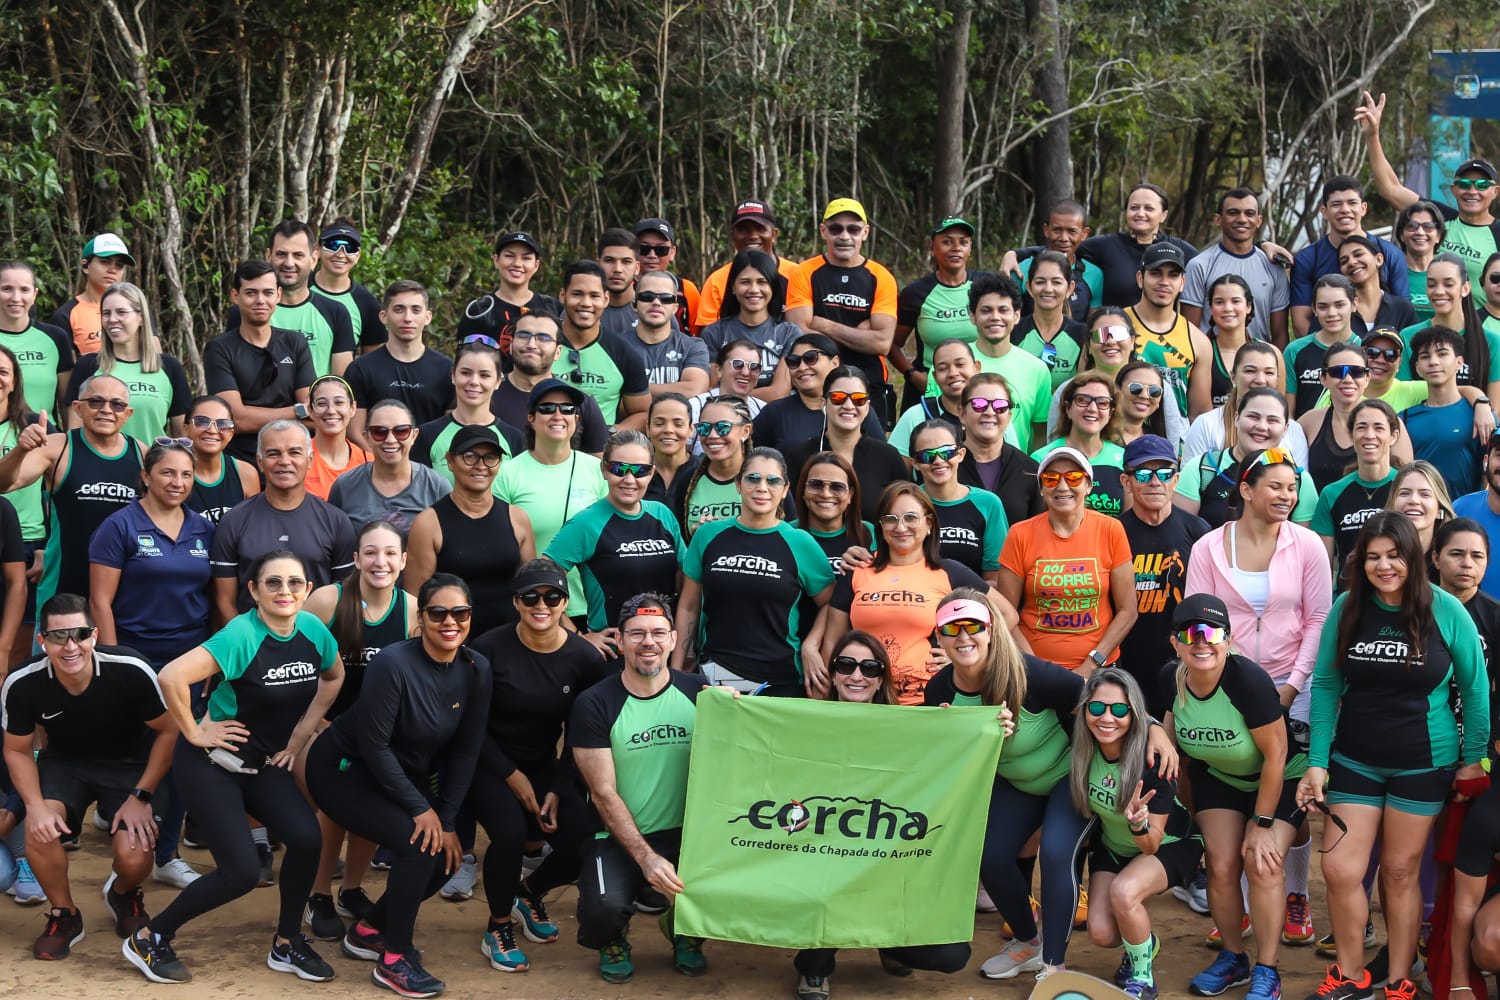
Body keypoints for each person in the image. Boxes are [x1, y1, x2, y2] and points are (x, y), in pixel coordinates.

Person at [124, 550, 343, 985]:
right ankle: (150, 937)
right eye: (273, 583)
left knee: (305, 838)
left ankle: (286, 942)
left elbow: (333, 677)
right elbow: (170, 677)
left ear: (308, 590)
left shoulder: (314, 630)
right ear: (254, 591)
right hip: (211, 763)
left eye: (294, 583)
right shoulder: (240, 635)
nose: (285, 591)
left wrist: (299, 738)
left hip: (261, 762)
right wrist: (194, 732)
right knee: (241, 872)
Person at [1298, 512, 1489, 1000]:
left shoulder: (1446, 610)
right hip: (1355, 759)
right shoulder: (1347, 608)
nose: (1384, 567)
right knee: (1340, 869)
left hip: (1423, 763)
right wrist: (1318, 760)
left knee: (1400, 872)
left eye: (1395, 556)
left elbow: (1475, 688)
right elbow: (1325, 684)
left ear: (1414, 558)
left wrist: (1471, 760)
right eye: (1373, 557)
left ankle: (1401, 974)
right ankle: (1350, 972)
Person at [305, 573, 490, 998]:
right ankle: (394, 958)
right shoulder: (393, 662)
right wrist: (421, 811)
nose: (450, 622)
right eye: (438, 613)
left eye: (460, 613)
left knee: (445, 855)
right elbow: (373, 745)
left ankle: (370, 930)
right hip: (343, 770)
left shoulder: (476, 669)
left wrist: (445, 818)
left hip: (397, 776)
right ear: (420, 619)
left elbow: (466, 750)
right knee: (416, 843)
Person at [791, 629, 974, 999]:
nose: (857, 675)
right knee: (825, 889)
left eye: (869, 668)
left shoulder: (907, 727)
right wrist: (729, 705)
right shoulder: (805, 719)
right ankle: (815, 966)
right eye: (846, 665)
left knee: (952, 954)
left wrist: (968, 729)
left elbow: (949, 764)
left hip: (886, 865)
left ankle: (888, 942)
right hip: (821, 860)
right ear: (833, 672)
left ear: (880, 680)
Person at [922, 591, 1093, 982]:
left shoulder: (1029, 673)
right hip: (1014, 783)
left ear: (991, 630)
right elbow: (944, 761)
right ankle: (1028, 942)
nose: (963, 637)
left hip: (1065, 778)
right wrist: (950, 736)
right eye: (952, 628)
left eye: (973, 627)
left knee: (1054, 854)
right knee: (990, 856)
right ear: (939, 637)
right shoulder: (939, 692)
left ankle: (1054, 963)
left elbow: (1099, 699)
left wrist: (1152, 728)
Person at [2, 594, 176, 959]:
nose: (70, 646)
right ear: (42, 641)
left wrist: (142, 796)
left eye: (79, 634)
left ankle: (124, 894)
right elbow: (17, 750)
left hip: (130, 764)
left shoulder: (130, 668)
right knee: (40, 827)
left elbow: (169, 732)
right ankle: (65, 914)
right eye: (58, 636)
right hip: (66, 763)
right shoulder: (22, 682)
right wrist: (33, 806)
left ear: (94, 635)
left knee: (135, 854)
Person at [466, 560, 613, 974]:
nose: (541, 604)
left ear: (565, 602)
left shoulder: (584, 657)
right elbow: (470, 727)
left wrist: (556, 785)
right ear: (516, 602)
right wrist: (511, 777)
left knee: (583, 838)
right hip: (488, 762)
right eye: (530, 596)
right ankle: (497, 927)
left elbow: (583, 733)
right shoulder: (488, 650)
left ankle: (528, 893)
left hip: (544, 765)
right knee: (510, 835)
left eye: (552, 596)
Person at [1162, 594, 1307, 1000]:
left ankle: (1268, 968)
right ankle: (1234, 959)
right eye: (1190, 633)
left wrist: (1261, 825)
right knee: (1222, 866)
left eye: (1211, 632)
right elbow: (1166, 734)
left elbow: (1277, 754)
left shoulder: (1248, 680)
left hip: (1278, 776)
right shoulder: (1169, 679)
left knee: (1261, 863)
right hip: (1221, 778)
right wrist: (1158, 732)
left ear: (1228, 638)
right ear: (1175, 642)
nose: (1201, 641)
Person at [87, 440, 215, 885]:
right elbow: (100, 601)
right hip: (136, 656)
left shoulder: (203, 528)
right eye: (167, 473)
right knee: (139, 753)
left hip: (191, 661)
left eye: (185, 474)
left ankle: (164, 854)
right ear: (146, 475)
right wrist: (115, 662)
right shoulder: (119, 526)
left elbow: (213, 599)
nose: (177, 482)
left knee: (183, 750)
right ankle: (127, 845)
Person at [569, 592, 710, 982]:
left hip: (688, 836)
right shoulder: (594, 703)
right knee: (603, 909)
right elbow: (603, 793)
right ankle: (614, 937)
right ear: (620, 640)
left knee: (731, 878)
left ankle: (685, 931)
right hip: (615, 835)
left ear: (672, 637)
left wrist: (736, 710)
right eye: (636, 633)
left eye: (657, 633)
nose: (648, 642)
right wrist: (646, 858)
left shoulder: (700, 692)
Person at [299, 520, 418, 943]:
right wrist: (313, 724)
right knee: (338, 805)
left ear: (404, 561)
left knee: (375, 803)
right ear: (355, 558)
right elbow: (294, 665)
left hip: (378, 734)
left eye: (389, 553)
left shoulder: (412, 611)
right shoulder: (328, 600)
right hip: (323, 728)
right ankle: (317, 895)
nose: (379, 561)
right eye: (370, 552)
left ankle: (350, 889)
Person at [1073, 667, 1202, 1000]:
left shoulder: (1154, 759)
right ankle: (1145, 942)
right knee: (1101, 933)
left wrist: (1137, 823)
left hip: (1166, 844)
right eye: (1098, 707)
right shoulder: (1082, 747)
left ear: (1133, 714)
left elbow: (1150, 844)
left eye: (1119, 710)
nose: (1107, 718)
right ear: (1085, 708)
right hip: (1113, 847)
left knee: (1124, 890)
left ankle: (1142, 976)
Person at [674, 448, 835, 694]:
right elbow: (688, 606)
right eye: (753, 478)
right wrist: (678, 671)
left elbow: (831, 604)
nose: (762, 487)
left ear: (784, 490)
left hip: (781, 679)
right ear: (738, 484)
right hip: (717, 675)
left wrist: (811, 646)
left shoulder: (800, 543)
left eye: (772, 481)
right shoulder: (708, 535)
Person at [812, 481, 989, 704]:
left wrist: (960, 656)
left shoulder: (949, 572)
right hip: (865, 701)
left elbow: (1006, 616)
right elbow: (833, 642)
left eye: (911, 518)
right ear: (881, 527)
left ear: (929, 524)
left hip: (927, 701)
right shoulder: (857, 569)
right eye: (890, 519)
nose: (900, 527)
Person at [0, 374, 145, 613]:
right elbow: (5, 484)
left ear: (127, 413)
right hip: (62, 589)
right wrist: (21, 450)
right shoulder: (58, 447)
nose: (106, 410)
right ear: (77, 408)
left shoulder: (141, 453)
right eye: (96, 401)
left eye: (116, 404)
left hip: (123, 593)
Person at [999, 446, 1137, 672]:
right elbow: (1006, 614)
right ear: (1042, 489)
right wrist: (1036, 668)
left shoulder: (1110, 529)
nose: (1062, 486)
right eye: (1051, 479)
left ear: (1088, 486)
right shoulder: (1019, 534)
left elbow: (1128, 611)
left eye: (1073, 477)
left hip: (1100, 668)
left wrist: (1091, 665)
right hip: (1034, 667)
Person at [210, 420, 356, 619]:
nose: (285, 461)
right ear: (260, 462)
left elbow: (346, 598)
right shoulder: (234, 521)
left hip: (316, 641)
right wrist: (246, 645)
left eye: (295, 452)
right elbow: (224, 602)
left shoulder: (336, 521)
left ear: (310, 460)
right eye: (273, 453)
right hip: (251, 643)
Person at [1359, 91, 1499, 297]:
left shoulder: (1497, 233)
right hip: (1427, 323)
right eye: (1465, 184)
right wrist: (1372, 135)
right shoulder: (1438, 218)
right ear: (1453, 189)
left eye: (1481, 184)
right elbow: (1390, 188)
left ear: (1495, 192)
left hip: (1477, 328)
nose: (1472, 191)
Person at [546, 429, 686, 634]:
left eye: (640, 471)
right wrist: (579, 638)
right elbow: (540, 579)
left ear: (651, 473)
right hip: (614, 650)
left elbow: (686, 578)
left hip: (661, 644)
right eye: (619, 469)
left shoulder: (662, 514)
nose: (629, 479)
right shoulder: (586, 523)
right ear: (604, 470)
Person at [495, 379, 609, 620]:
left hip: (592, 608)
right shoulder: (507, 474)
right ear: (531, 418)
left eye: (567, 409)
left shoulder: (598, 470)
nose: (558, 415)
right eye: (547, 408)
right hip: (534, 607)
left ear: (577, 419)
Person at [406, 426, 535, 639]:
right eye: (470, 456)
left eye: (490, 457)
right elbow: (415, 600)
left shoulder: (517, 518)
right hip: (450, 644)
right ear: (450, 461)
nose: (481, 466)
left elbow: (530, 588)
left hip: (510, 642)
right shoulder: (428, 523)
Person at [785, 198, 899, 427]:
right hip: (816, 382)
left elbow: (882, 343)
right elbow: (800, 335)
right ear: (823, 231)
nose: (845, 236)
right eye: (836, 228)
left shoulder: (881, 277)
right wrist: (860, 333)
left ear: (865, 233)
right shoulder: (804, 272)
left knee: (868, 455)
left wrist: (823, 324)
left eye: (853, 229)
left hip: (868, 382)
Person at [1118, 435, 1209, 695]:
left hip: (1185, 662)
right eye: (1144, 474)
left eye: (1165, 474)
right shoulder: (1114, 532)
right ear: (1127, 481)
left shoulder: (1197, 530)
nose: (1156, 482)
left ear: (1176, 480)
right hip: (1128, 664)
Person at [204, 260, 315, 464]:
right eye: (251, 293)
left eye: (268, 292)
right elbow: (237, 419)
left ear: (278, 295)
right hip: (240, 460)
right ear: (235, 296)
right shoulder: (219, 349)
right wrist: (297, 411)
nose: (260, 300)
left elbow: (313, 416)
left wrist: (305, 412)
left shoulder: (295, 342)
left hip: (290, 457)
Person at [888, 215, 994, 408]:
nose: (956, 248)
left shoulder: (987, 285)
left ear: (970, 249)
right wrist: (913, 375)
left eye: (963, 242)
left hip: (981, 385)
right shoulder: (916, 293)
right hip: (929, 386)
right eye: (947, 242)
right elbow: (892, 344)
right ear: (932, 247)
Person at [64, 281, 191, 439]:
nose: (112, 319)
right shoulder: (88, 365)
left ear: (141, 318)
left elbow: (183, 436)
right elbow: (73, 434)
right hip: (100, 463)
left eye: (121, 312)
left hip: (152, 462)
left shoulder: (169, 367)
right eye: (106, 313)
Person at [1175, 389, 1319, 529]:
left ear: (1286, 429)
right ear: (1236, 418)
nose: (1262, 426)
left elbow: (1303, 547)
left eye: (1272, 420)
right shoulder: (1202, 469)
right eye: (1253, 417)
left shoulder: (1298, 481)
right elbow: (1181, 536)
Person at [783, 367, 910, 523]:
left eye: (858, 399)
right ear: (824, 403)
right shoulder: (797, 456)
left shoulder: (887, 456)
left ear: (867, 406)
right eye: (838, 397)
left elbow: (903, 513)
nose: (849, 405)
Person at [942, 274, 1051, 451]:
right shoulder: (950, 364)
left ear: (1016, 316)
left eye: (1003, 310)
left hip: (1015, 471)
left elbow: (1040, 434)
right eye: (986, 310)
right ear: (972, 316)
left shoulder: (1037, 369)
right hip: (957, 470)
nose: (995, 317)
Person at [1289, 176, 1409, 337]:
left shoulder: (1390, 253)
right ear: (1324, 212)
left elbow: (1402, 314)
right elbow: (1301, 322)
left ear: (1363, 208)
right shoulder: (1307, 259)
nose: (1345, 210)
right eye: (1336, 204)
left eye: (1352, 203)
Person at [1180, 189, 1292, 348]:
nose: (1242, 219)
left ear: (1258, 221)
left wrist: (1277, 370)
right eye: (1233, 213)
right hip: (1212, 364)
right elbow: (1189, 331)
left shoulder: (1274, 268)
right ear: (1218, 219)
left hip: (1258, 365)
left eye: (1249, 213)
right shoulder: (1199, 266)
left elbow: (1280, 334)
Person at [341, 280, 454, 432]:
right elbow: (355, 433)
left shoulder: (447, 370)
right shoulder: (361, 369)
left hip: (430, 456)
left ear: (427, 317)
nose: (407, 318)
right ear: (383, 316)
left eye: (416, 310)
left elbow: (450, 432)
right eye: (399, 309)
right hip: (376, 454)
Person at [1298, 343, 1413, 493]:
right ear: (1323, 378)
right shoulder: (1309, 422)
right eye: (1337, 372)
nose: (1347, 379)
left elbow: (1407, 482)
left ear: (1367, 378)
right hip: (1322, 512)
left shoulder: (1389, 422)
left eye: (1357, 372)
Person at [248, 219, 356, 378]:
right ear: (268, 256)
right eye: (281, 254)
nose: (289, 263)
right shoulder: (248, 310)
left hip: (318, 402)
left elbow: (342, 384)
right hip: (259, 403)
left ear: (313, 259)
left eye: (298, 255)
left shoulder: (336, 312)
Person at [489, 310, 609, 452]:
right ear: (510, 344)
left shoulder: (581, 402)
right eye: (523, 335)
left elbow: (599, 466)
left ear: (558, 352)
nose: (531, 344)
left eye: (543, 338)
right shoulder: (487, 396)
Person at [1311, 399, 1406, 577]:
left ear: (1393, 436)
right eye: (1361, 427)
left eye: (1379, 428)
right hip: (1350, 597)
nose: (1369, 435)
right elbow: (1322, 567)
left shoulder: (1406, 488)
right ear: (1351, 434)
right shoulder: (1331, 494)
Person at [553, 260, 650, 430]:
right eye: (577, 294)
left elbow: (642, 413)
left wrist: (608, 435)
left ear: (606, 299)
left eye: (594, 296)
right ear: (563, 296)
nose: (585, 303)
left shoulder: (623, 353)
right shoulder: (540, 345)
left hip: (599, 453)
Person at [328, 399, 450, 533]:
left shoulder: (436, 486)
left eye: (401, 431)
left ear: (414, 436)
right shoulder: (345, 486)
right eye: (379, 432)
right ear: (367, 437)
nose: (391, 440)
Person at [909, 420, 1010, 581]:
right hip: (916, 601)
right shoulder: (905, 503)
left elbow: (996, 578)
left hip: (971, 601)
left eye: (947, 452)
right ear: (915, 463)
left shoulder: (988, 503)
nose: (938, 460)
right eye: (928, 455)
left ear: (960, 454)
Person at [414, 336, 527, 478]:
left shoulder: (515, 439)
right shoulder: (426, 435)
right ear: (453, 375)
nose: (474, 381)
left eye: (484, 375)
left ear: (498, 381)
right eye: (466, 373)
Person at [1125, 242, 1213, 420]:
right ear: (1140, 278)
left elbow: (1200, 414)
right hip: (1120, 440)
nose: (1164, 282)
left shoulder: (1198, 341)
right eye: (1156, 273)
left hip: (1173, 445)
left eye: (1173, 275)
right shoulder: (1116, 326)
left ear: (1182, 283)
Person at [752, 333, 882, 452]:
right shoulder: (775, 412)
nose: (802, 367)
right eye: (794, 361)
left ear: (835, 362)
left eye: (811, 358)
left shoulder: (855, 409)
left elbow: (882, 458)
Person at [698, 249, 798, 401]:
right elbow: (713, 387)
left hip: (774, 417)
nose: (754, 290)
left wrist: (731, 393)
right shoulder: (714, 333)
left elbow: (779, 392)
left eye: (762, 282)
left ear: (773, 287)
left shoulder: (789, 333)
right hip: (728, 416)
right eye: (745, 282)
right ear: (733, 287)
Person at [1396, 254, 1500, 400]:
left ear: (1465, 288)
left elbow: (1495, 409)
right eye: (1432, 284)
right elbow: (1403, 397)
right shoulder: (1408, 336)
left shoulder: (1491, 341)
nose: (1439, 291)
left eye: (1448, 284)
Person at [1400, 326, 1483, 499]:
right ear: (1417, 368)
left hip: (1467, 517)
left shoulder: (1480, 416)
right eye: (1425, 356)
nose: (1433, 362)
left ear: (1459, 362)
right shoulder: (1404, 419)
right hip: (1422, 515)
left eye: (1442, 354)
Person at [694, 198, 801, 328]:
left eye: (760, 229)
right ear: (733, 235)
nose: (752, 236)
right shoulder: (717, 281)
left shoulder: (798, 274)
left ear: (774, 234)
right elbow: (707, 335)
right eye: (743, 229)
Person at [1185, 340, 1299, 460]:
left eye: (1269, 372)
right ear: (1233, 376)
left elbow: (1300, 477)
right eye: (1250, 371)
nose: (1260, 380)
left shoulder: (1294, 431)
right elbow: (1192, 476)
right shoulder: (1206, 425)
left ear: (1277, 379)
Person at [1032, 373, 1127, 517]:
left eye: (1102, 403)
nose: (1093, 408)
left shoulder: (1124, 459)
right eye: (1082, 400)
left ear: (1110, 413)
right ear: (1068, 408)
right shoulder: (1041, 459)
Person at [957, 372, 1044, 526]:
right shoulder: (946, 466)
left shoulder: (1030, 470)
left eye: (1000, 406)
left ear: (1009, 415)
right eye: (979, 404)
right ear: (962, 413)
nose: (990, 412)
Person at [457, 230, 560, 353]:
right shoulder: (480, 311)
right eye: (509, 256)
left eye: (526, 258)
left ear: (536, 265)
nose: (517, 263)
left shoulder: (552, 307)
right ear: (496, 260)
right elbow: (466, 360)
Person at [669, 394, 752, 537]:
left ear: (745, 431)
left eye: (723, 427)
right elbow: (680, 545)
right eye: (704, 428)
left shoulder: (765, 477)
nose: (713, 435)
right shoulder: (687, 480)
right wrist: (699, 537)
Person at [1009, 199, 1105, 322]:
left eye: (1072, 231)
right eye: (1057, 230)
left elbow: (1093, 325)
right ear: (1046, 230)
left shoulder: (1094, 274)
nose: (1064, 238)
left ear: (1084, 233)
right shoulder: (1022, 270)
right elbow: (1007, 316)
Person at [0, 260, 74, 416]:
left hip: (46, 437)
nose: (16, 297)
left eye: (24, 290)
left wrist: (67, 440)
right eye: (7, 289)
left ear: (34, 295)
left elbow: (68, 404)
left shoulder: (55, 338)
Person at [1012, 251, 1091, 391]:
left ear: (1070, 288)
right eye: (1040, 282)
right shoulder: (1013, 331)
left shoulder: (1082, 334)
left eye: (1056, 282)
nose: (1048, 289)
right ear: (1029, 287)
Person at [1284, 275, 1360, 417]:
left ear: (1354, 305)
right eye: (1323, 306)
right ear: (1314, 309)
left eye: (1339, 305)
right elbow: (1288, 414)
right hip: (1306, 435)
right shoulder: (1294, 350)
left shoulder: (1365, 350)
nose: (1331, 313)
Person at [888, 339, 980, 455]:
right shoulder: (915, 416)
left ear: (976, 368)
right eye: (942, 368)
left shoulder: (992, 413)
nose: (953, 373)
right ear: (935, 376)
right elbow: (894, 469)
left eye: (960, 364)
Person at [308, 220, 386, 352]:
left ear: (358, 255)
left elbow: (372, 362)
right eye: (333, 245)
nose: (340, 254)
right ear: (318, 249)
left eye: (350, 248)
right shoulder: (297, 288)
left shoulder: (367, 303)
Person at [52, 233, 134, 356]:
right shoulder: (66, 315)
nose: (113, 270)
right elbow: (67, 370)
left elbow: (154, 358)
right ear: (85, 266)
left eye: (119, 265)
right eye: (105, 262)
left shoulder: (136, 308)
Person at [630, 270, 709, 398]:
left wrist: (631, 388)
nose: (656, 302)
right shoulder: (616, 346)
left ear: (675, 308)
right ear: (634, 304)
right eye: (647, 297)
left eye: (666, 298)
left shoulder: (693, 347)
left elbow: (694, 390)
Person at [184, 394, 261, 525]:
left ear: (231, 434)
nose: (212, 430)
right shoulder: (174, 474)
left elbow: (252, 530)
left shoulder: (245, 473)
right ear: (186, 429)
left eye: (222, 424)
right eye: (202, 421)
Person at [791, 451, 872, 573]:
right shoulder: (786, 534)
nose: (825, 494)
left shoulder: (868, 533)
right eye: (816, 485)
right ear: (803, 490)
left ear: (850, 494)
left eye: (837, 487)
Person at [1197, 275, 1268, 408]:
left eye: (1235, 301)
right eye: (1219, 302)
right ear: (1211, 308)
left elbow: (1279, 408)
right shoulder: (1201, 353)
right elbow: (1199, 413)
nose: (1228, 308)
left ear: (1248, 306)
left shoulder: (1270, 353)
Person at [302, 374, 369, 501]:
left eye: (339, 402)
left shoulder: (368, 462)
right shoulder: (297, 458)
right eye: (322, 403)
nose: (331, 411)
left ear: (352, 408)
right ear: (311, 410)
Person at [1338, 234, 1418, 336]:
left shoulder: (1402, 309)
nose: (1352, 262)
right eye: (1344, 261)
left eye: (1358, 255)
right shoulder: (1339, 311)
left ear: (1379, 259)